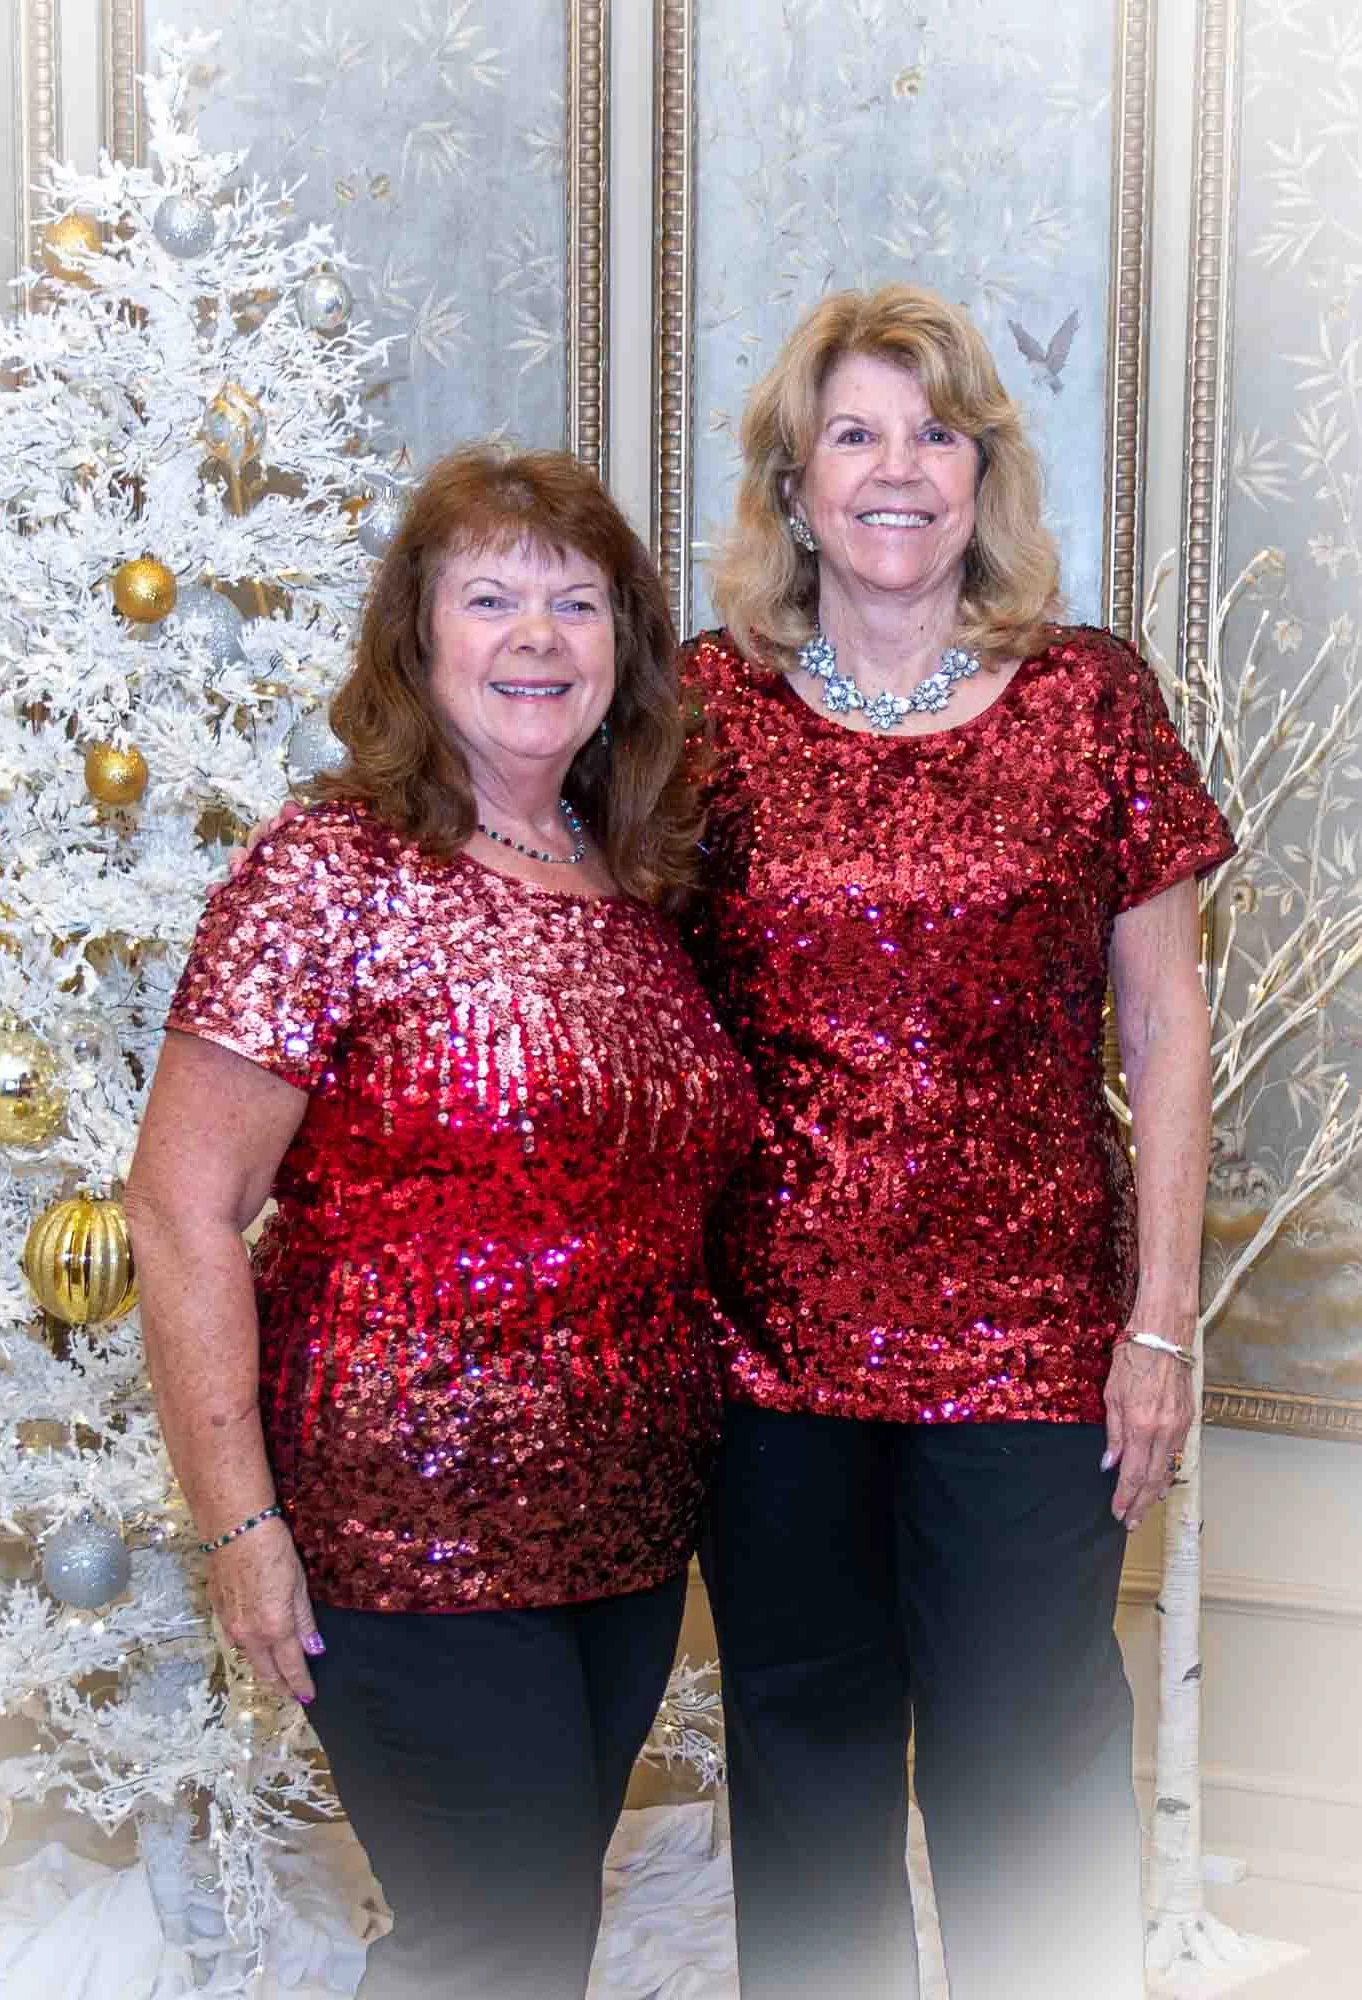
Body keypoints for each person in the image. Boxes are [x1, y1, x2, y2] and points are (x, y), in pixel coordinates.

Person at [125, 446, 756, 2000]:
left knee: (529, 1941)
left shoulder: (640, 888)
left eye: (576, 603)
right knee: (497, 1945)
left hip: (622, 1534)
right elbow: (184, 1209)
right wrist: (240, 1528)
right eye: (491, 599)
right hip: (403, 1529)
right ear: (417, 640)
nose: (537, 636)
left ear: (624, 652)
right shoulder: (327, 872)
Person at [681, 282, 1236, 2000]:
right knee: (805, 1780)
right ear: (794, 485)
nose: (897, 469)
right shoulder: (703, 709)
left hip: (1031, 1353)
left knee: (1031, 1782)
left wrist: (1160, 1326)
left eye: (935, 434)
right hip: (767, 1354)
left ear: (984, 474)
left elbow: (1166, 1027)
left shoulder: (1087, 698)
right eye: (854, 434)